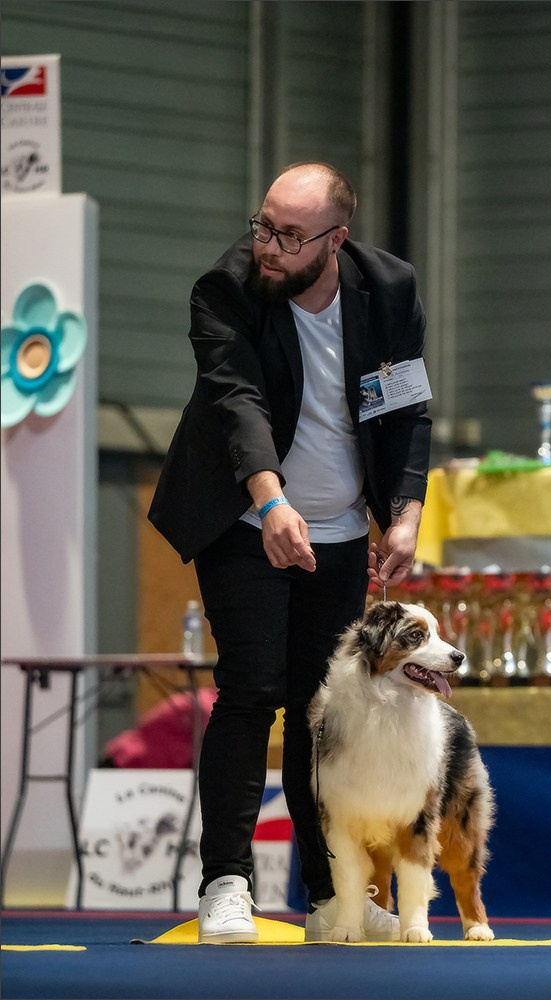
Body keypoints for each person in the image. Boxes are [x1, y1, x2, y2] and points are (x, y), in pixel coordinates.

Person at [148, 161, 431, 943]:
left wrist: (404, 515)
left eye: (289, 235)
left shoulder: (390, 289)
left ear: (335, 241)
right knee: (250, 690)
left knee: (324, 711)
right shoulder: (226, 287)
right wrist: (271, 503)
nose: (267, 247)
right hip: (245, 521)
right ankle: (226, 886)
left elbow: (406, 409)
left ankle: (329, 899)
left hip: (340, 531)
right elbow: (236, 402)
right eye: (262, 226)